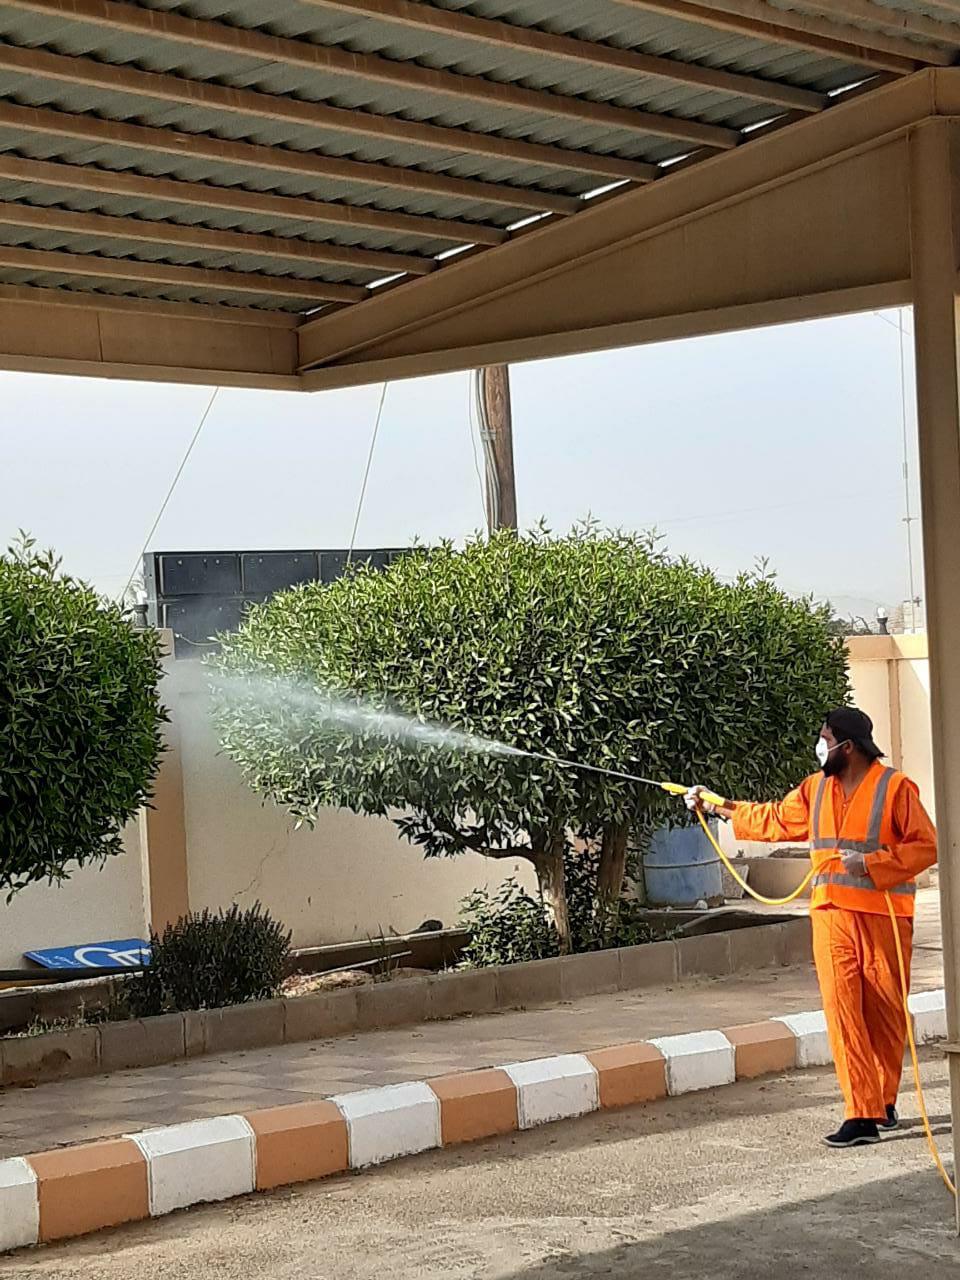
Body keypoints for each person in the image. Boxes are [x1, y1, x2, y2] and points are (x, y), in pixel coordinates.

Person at [686, 707, 937, 1149]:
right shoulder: (815, 790)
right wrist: (716, 806)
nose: (820, 747)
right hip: (832, 915)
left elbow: (926, 846)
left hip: (884, 918)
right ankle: (861, 1113)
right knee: (843, 1011)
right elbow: (773, 819)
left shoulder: (895, 788)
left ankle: (883, 1101)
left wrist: (873, 863)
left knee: (885, 1012)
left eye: (826, 739)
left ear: (849, 747)